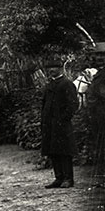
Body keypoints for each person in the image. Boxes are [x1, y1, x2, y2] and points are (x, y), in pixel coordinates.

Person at [40, 60, 80, 189]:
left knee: (64, 152)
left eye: (54, 67)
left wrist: (63, 119)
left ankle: (68, 179)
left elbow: (73, 104)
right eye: (49, 67)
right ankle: (59, 178)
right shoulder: (49, 85)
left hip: (62, 124)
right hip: (50, 125)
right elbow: (44, 104)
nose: (51, 70)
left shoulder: (67, 84)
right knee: (53, 151)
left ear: (61, 68)